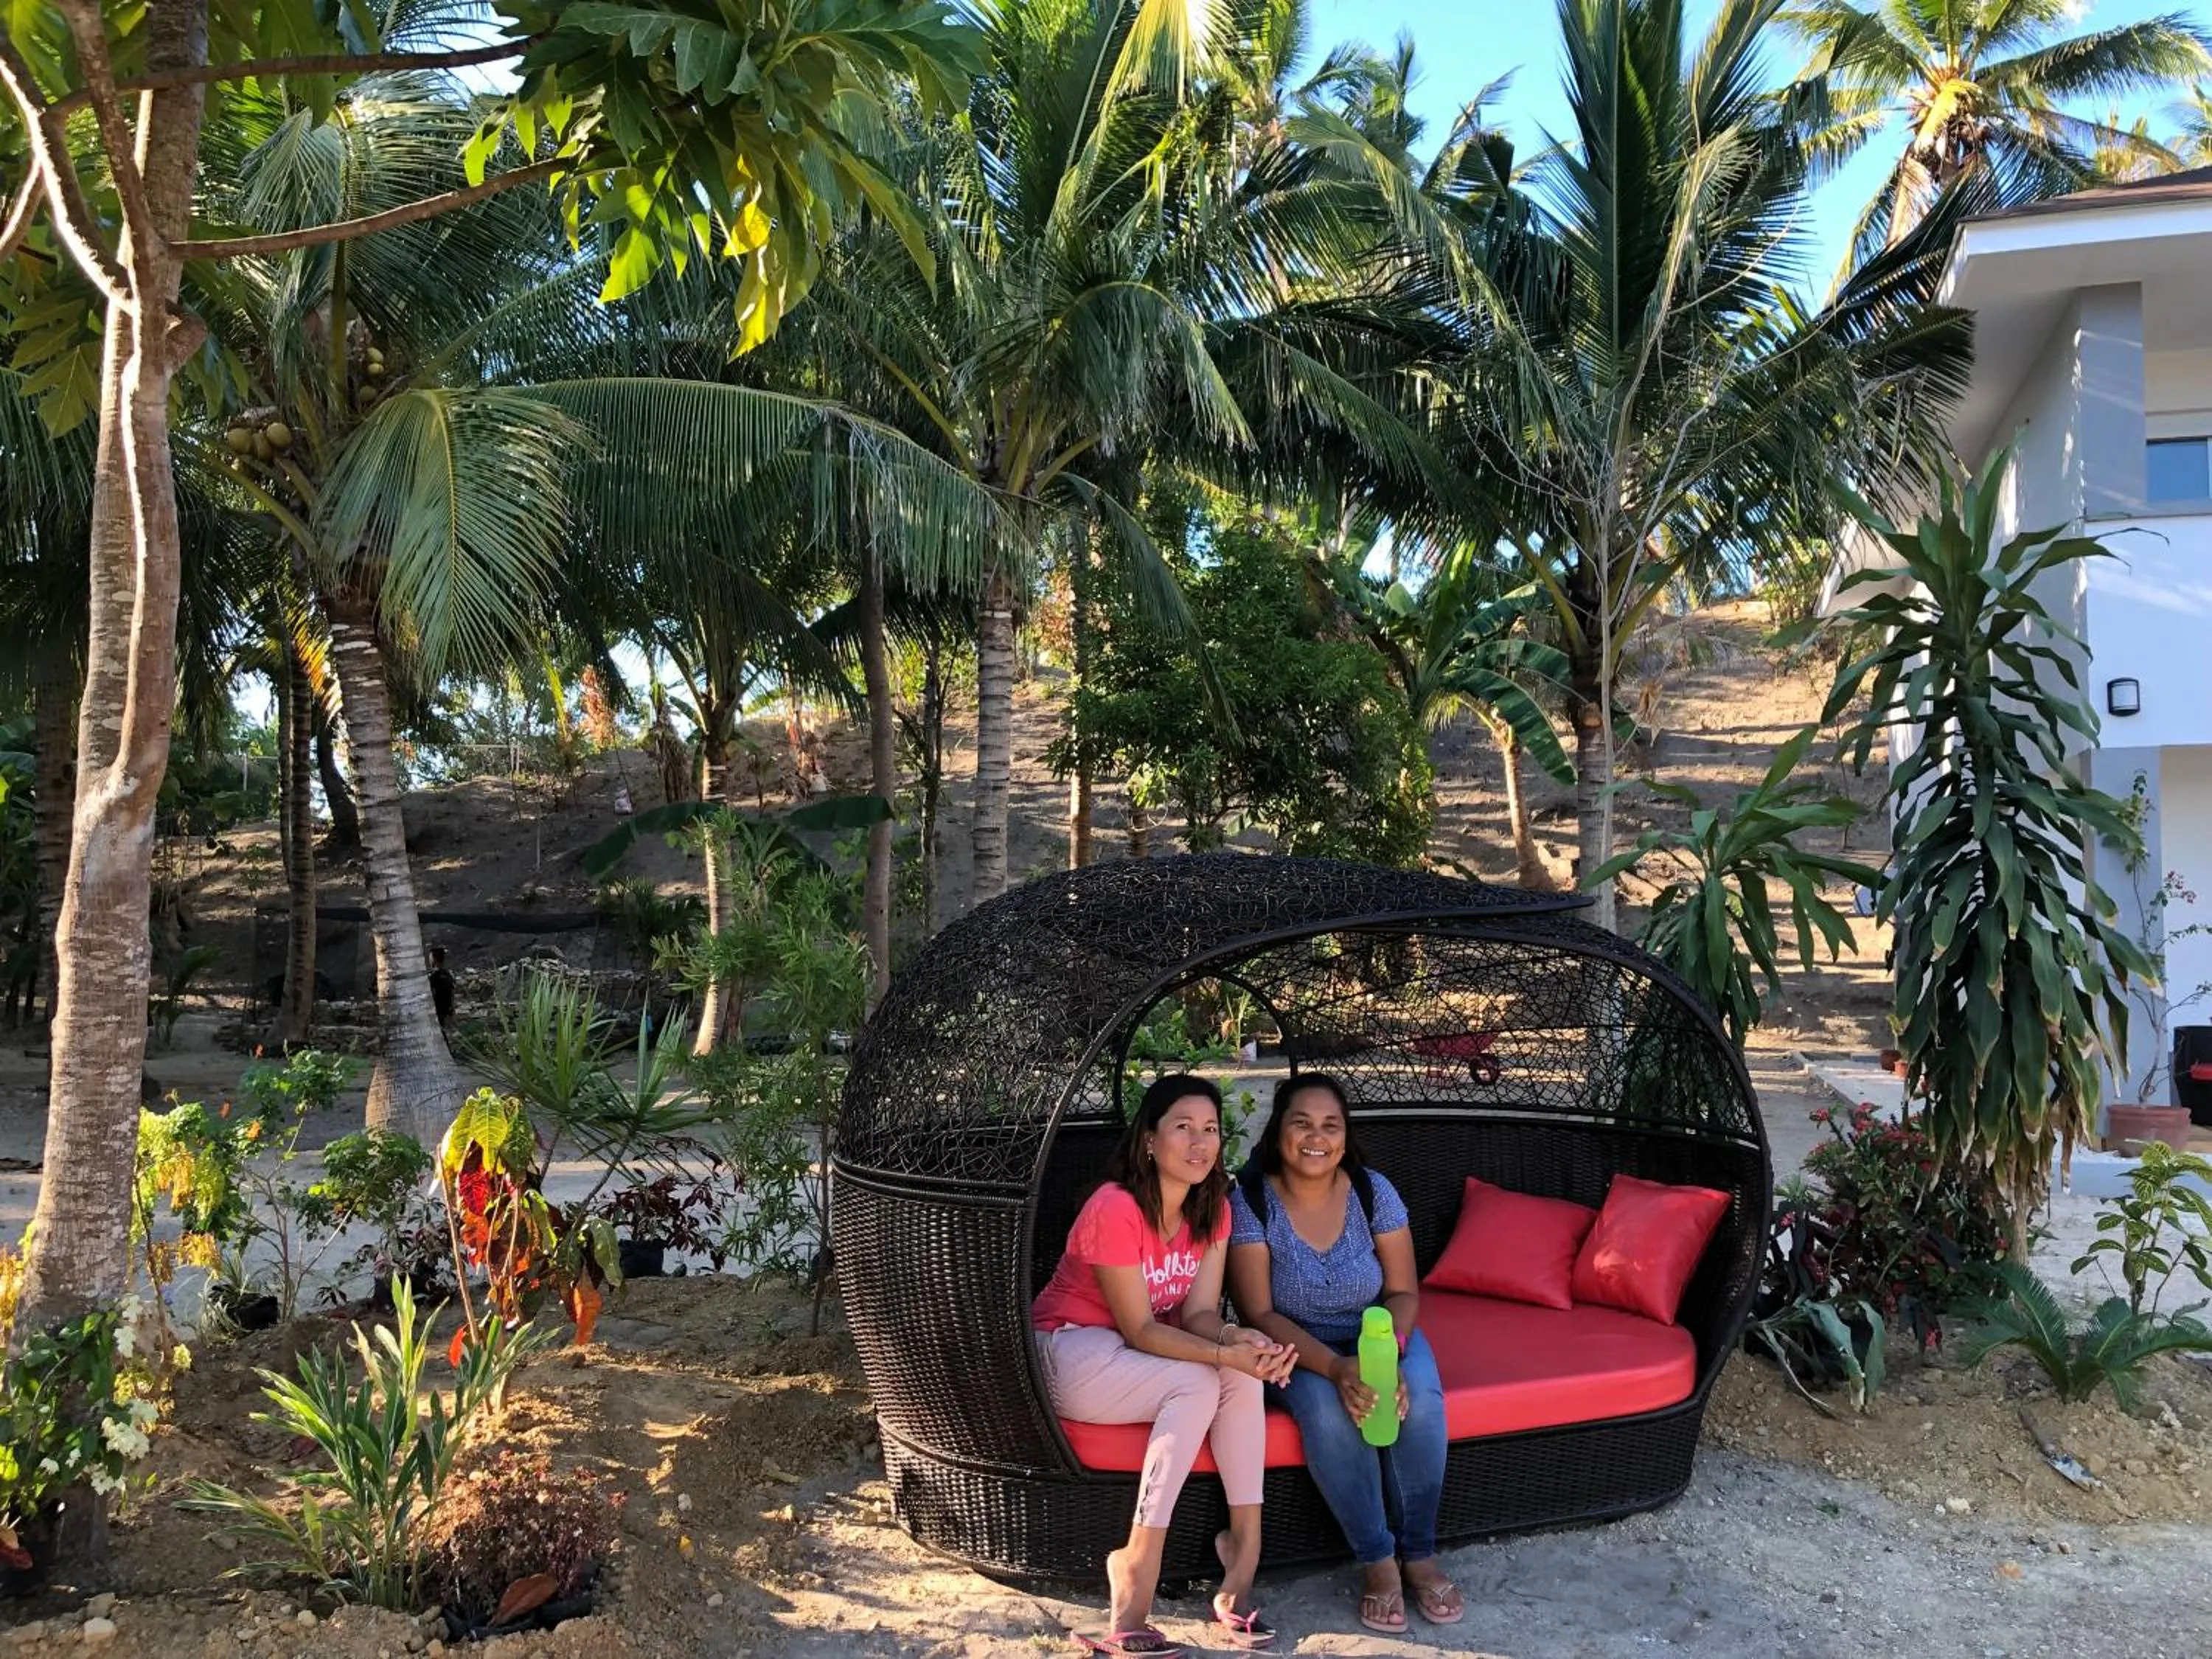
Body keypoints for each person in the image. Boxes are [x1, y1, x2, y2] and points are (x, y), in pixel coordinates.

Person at [1033, 1074, 1296, 1656]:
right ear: (1149, 1140)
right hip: (1071, 1350)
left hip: (1137, 1358)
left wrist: (1240, 1340)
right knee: (1199, 1380)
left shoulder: (1213, 1210)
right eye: (1183, 1127)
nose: (1200, 1142)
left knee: (1239, 1376)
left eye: (1211, 1129)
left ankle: (1244, 1556)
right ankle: (1137, 1564)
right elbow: (1141, 1328)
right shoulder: (1116, 1207)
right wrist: (1223, 1354)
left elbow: (1199, 1314)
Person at [1225, 1074, 1463, 1635]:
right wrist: (1335, 1369)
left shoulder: (1372, 1191)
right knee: (1330, 1415)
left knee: (1420, 1401)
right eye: (1302, 1123)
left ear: (1345, 1136)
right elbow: (1259, 1312)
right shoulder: (1251, 1200)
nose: (1317, 1137)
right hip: (1294, 1343)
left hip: (1378, 1332)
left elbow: (1403, 1292)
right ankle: (1378, 1560)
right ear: (1278, 1131)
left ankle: (1419, 1554)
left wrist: (1388, 1359)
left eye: (1330, 1125)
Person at [427, 946, 456, 1036]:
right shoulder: (448, 974)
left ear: (434, 960)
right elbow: (452, 992)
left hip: (438, 1009)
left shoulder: (433, 977)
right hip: (446, 1009)